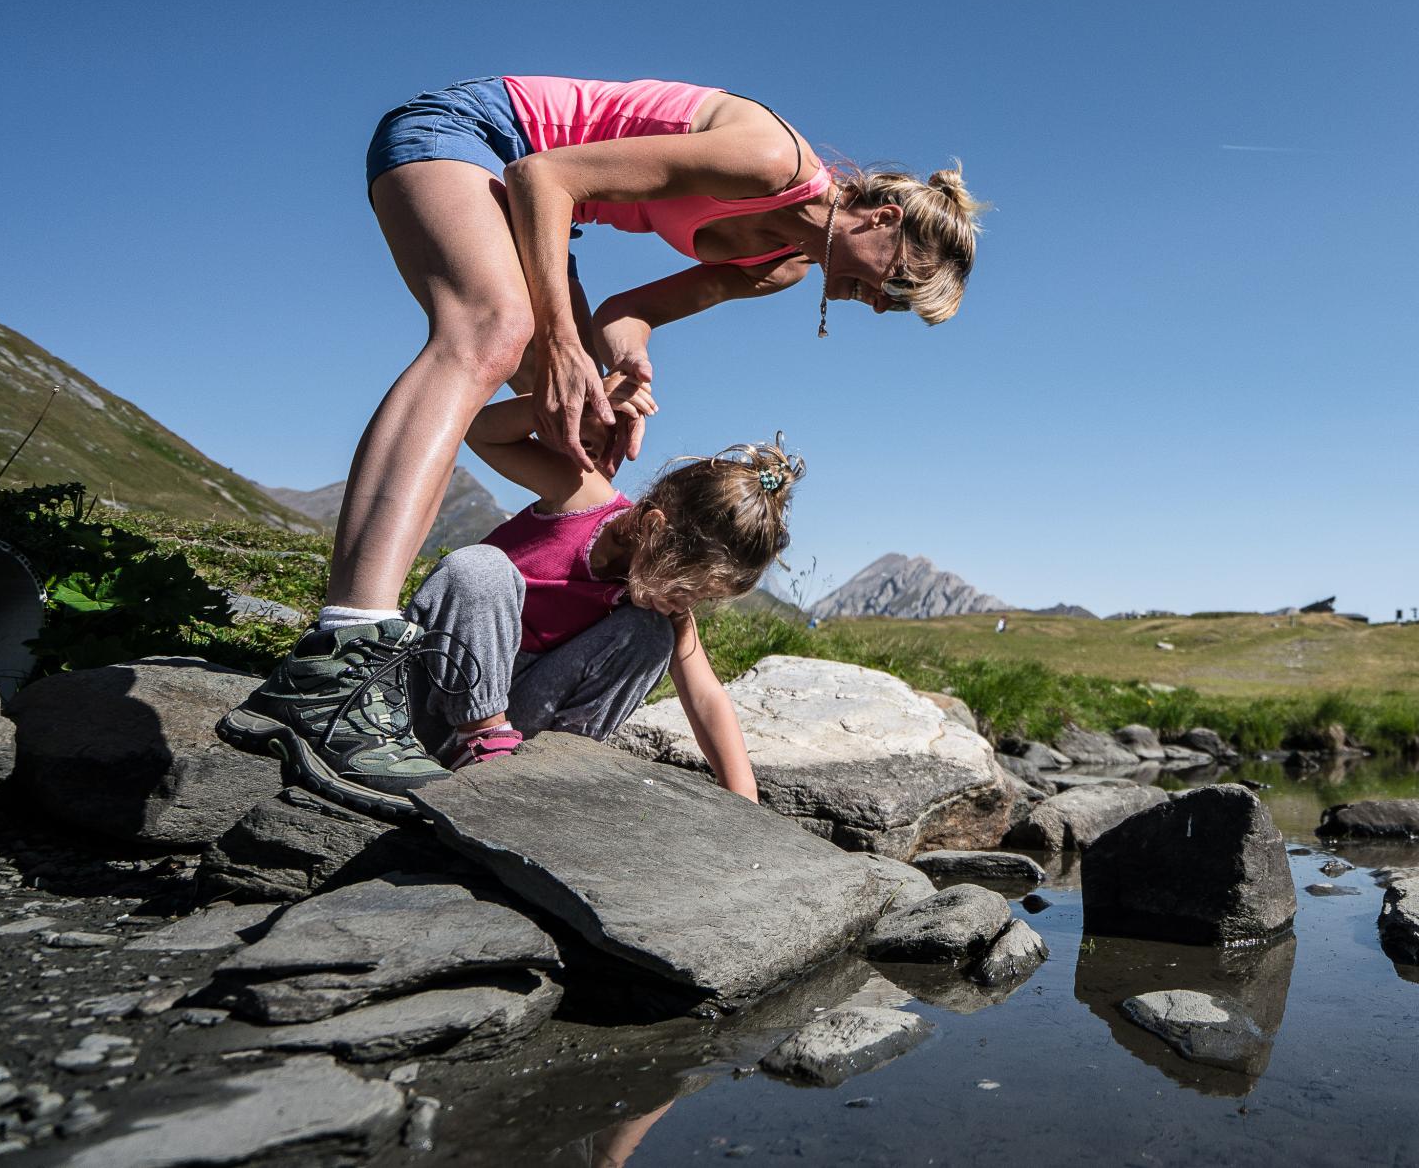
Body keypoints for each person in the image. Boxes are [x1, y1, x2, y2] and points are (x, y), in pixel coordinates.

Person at [218, 75, 984, 816]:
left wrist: (623, 363)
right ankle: (345, 651)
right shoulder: (769, 159)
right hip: (477, 135)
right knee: (493, 332)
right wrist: (557, 343)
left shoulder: (779, 268)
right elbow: (543, 175)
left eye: (897, 306)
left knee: (577, 409)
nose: (881, 306)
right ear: (883, 216)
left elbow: (628, 312)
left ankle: (480, 727)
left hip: (532, 186)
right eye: (897, 284)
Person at [398, 389, 789, 798]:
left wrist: (745, 804)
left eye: (699, 598)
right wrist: (575, 400)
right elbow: (481, 432)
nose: (684, 604)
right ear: (654, 528)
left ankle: (551, 766)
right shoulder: (580, 495)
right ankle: (481, 739)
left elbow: (706, 697)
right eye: (684, 588)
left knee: (652, 634)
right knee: (479, 568)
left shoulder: (658, 595)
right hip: (432, 694)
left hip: (513, 732)